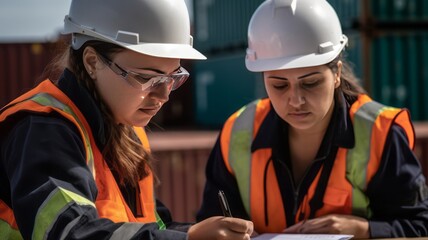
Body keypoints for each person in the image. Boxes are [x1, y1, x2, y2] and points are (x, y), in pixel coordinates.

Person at [0, 0, 254, 239]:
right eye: (146, 78)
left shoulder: (127, 132)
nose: (164, 95)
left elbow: (150, 228)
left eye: (172, 77)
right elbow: (72, 232)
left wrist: (196, 233)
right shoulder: (42, 131)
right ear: (92, 62)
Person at [196, 0, 428, 238]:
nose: (295, 100)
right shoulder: (237, 132)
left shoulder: (380, 133)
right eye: (279, 85)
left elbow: (421, 226)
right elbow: (211, 224)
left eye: (310, 82)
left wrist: (365, 230)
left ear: (336, 73)